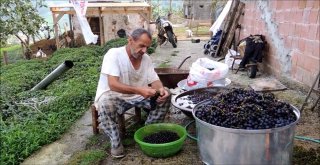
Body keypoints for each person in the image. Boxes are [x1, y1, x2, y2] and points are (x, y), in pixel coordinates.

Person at [94, 28, 171, 158]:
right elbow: (113, 84)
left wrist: (160, 89)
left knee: (167, 93)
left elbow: (154, 80)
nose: (144, 50)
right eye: (141, 46)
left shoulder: (145, 58)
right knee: (105, 103)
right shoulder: (113, 54)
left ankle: (147, 132)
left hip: (138, 95)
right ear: (130, 40)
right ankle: (115, 141)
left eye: (147, 47)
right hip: (114, 95)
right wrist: (140, 90)